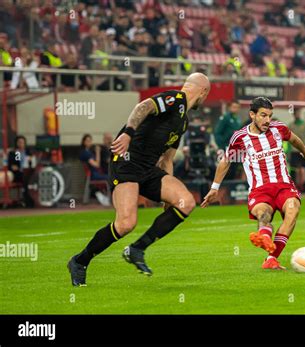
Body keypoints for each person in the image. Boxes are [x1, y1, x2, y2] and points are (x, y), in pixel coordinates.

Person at [68, 73, 211, 287]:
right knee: (126, 224)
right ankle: (80, 261)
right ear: (203, 92)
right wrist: (127, 133)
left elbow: (168, 159)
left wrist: (166, 193)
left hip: (148, 168)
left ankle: (137, 249)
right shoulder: (176, 98)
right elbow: (143, 107)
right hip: (126, 162)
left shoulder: (183, 122)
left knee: (185, 202)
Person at [201, 97, 305, 270]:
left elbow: (294, 139)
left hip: (284, 185)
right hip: (260, 191)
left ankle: (271, 258)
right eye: (263, 115)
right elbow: (226, 161)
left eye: (270, 115)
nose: (267, 120)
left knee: (292, 210)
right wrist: (214, 188)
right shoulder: (240, 137)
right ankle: (264, 236)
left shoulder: (278, 128)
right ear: (252, 115)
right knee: (264, 214)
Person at [79, 134, 110, 206]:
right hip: (93, 175)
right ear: (84, 142)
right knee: (110, 178)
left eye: (90, 141)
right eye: (88, 141)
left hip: (95, 173)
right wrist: (98, 152)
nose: (90, 142)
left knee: (108, 175)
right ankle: (109, 198)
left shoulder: (87, 152)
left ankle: (103, 195)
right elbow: (97, 165)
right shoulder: (85, 153)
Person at [288, 109, 305, 192]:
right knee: (293, 169)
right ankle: (293, 187)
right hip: (294, 150)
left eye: (298, 113)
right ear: (293, 115)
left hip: (304, 149)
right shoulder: (290, 126)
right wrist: (288, 150)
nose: (297, 115)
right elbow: (287, 138)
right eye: (296, 113)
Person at [7, 135, 35, 207]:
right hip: (20, 174)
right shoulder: (16, 153)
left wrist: (30, 160)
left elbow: (32, 162)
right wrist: (15, 166)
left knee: (31, 177)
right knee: (25, 178)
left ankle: (32, 199)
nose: (21, 144)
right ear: (16, 143)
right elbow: (16, 164)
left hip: (29, 172)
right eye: (19, 142)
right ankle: (27, 200)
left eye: (22, 142)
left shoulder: (28, 152)